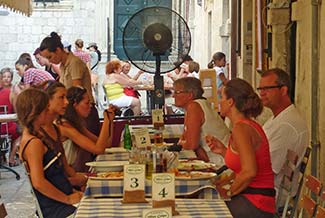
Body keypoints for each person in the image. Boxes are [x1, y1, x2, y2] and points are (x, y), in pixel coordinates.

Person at [207, 78, 275, 217]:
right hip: (255, 198)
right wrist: (223, 151)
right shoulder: (247, 125)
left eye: (222, 97)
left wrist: (229, 192)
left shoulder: (241, 129)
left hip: (256, 203)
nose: (219, 102)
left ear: (231, 102)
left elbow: (249, 171)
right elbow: (242, 163)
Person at [17, 88, 83, 218]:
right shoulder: (34, 143)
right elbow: (38, 182)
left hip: (60, 203)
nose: (48, 111)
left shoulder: (36, 137)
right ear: (36, 112)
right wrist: (67, 199)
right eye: (45, 108)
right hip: (55, 209)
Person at [258, 68, 309, 196]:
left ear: (283, 90)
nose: (262, 93)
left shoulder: (287, 124)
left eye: (267, 89)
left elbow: (266, 168)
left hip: (271, 194)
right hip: (264, 187)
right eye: (260, 89)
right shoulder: (276, 118)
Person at [39, 32, 100, 136]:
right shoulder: (63, 66)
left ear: (58, 50)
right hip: (75, 112)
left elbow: (76, 92)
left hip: (84, 111)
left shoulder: (74, 63)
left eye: (50, 57)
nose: (50, 61)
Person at [173, 77, 230, 164]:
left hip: (220, 161)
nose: (173, 96)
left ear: (190, 95)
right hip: (216, 157)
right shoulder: (199, 104)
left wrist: (185, 143)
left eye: (177, 92)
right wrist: (195, 146)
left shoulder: (194, 106)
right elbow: (185, 138)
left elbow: (191, 145)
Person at [59, 86, 115, 172]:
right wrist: (106, 120)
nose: (90, 106)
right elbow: (98, 149)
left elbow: (106, 144)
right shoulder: (65, 126)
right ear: (75, 105)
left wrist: (109, 121)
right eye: (87, 103)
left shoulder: (77, 126)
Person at [0, 73, 21, 167]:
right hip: (6, 127)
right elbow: (17, 111)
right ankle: (11, 158)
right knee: (21, 131)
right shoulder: (10, 93)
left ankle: (2, 156)